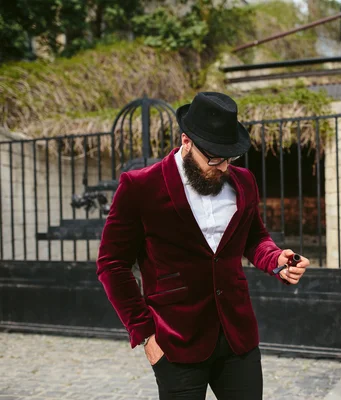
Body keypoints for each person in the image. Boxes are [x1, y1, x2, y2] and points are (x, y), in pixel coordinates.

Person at [96, 92, 309, 399]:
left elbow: (254, 238)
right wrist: (145, 336)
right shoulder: (139, 187)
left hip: (238, 337)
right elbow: (111, 265)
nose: (222, 167)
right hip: (175, 341)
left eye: (229, 158)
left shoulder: (244, 181)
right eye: (213, 158)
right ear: (186, 142)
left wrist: (276, 259)